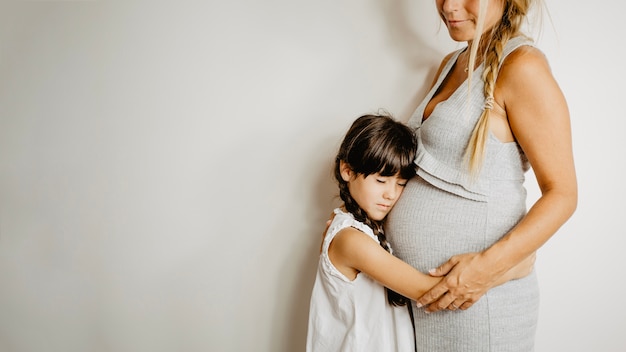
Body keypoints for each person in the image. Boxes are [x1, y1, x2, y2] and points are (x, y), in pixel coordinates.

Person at [385, 0, 578, 351]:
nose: (449, 6)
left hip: (480, 309)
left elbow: (562, 194)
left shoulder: (523, 67)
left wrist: (487, 270)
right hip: (425, 307)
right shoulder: (450, 64)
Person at [306, 114, 534, 352]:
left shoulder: (362, 227)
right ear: (347, 171)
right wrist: (510, 269)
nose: (391, 194)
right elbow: (429, 292)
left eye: (401, 183)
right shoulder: (351, 240)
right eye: (381, 180)